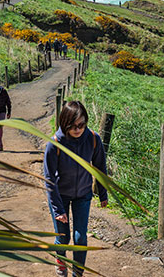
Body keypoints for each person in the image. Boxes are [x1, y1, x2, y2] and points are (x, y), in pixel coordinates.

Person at [44, 101, 108, 277]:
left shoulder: (93, 139)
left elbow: (100, 168)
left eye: (81, 125)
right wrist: (57, 209)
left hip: (83, 194)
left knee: (80, 238)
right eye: (73, 126)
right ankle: (61, 258)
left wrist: (103, 193)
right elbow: (49, 179)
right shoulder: (54, 144)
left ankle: (77, 273)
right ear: (64, 123)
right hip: (60, 196)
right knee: (63, 237)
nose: (78, 129)